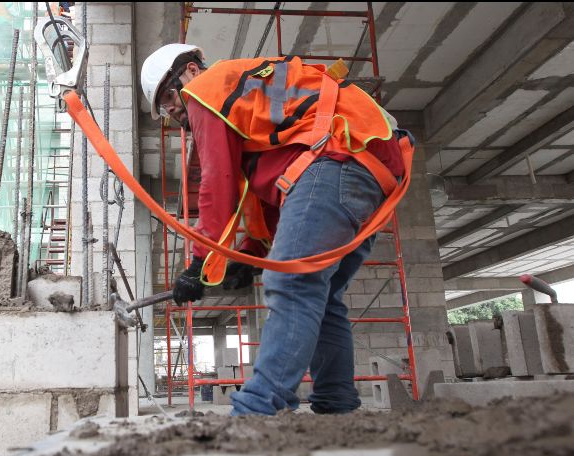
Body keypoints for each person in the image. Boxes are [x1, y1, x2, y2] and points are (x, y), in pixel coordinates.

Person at [140, 45, 412, 416]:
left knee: (292, 284)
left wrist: (199, 265)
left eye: (169, 96)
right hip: (364, 168)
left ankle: (255, 412)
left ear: (190, 71)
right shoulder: (248, 103)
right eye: (165, 109)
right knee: (323, 294)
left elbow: (216, 187)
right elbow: (269, 196)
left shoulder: (205, 90)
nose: (172, 110)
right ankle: (336, 405)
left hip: (334, 159)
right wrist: (251, 254)